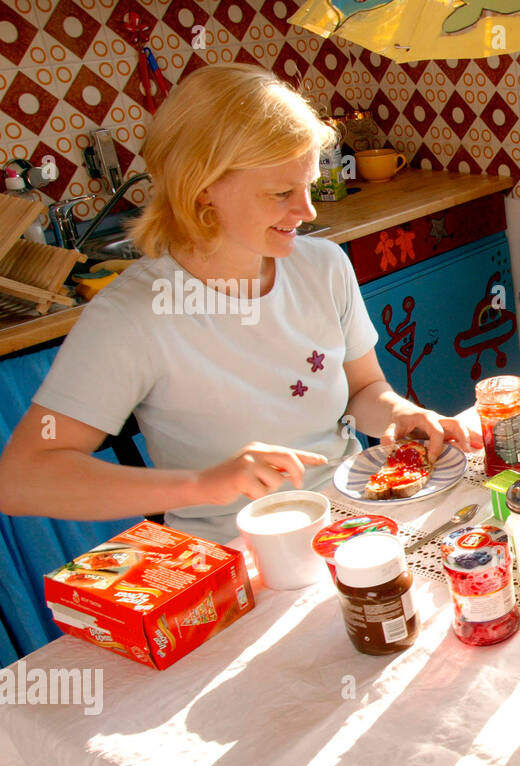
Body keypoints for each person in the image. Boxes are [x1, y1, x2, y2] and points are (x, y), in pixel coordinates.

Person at [0, 64, 479, 542]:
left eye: (308, 186)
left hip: (355, 515)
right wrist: (203, 484)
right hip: (236, 553)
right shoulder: (133, 316)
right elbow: (21, 479)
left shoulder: (323, 266)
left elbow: (362, 389)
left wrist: (398, 413)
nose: (307, 211)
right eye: (280, 193)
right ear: (202, 187)